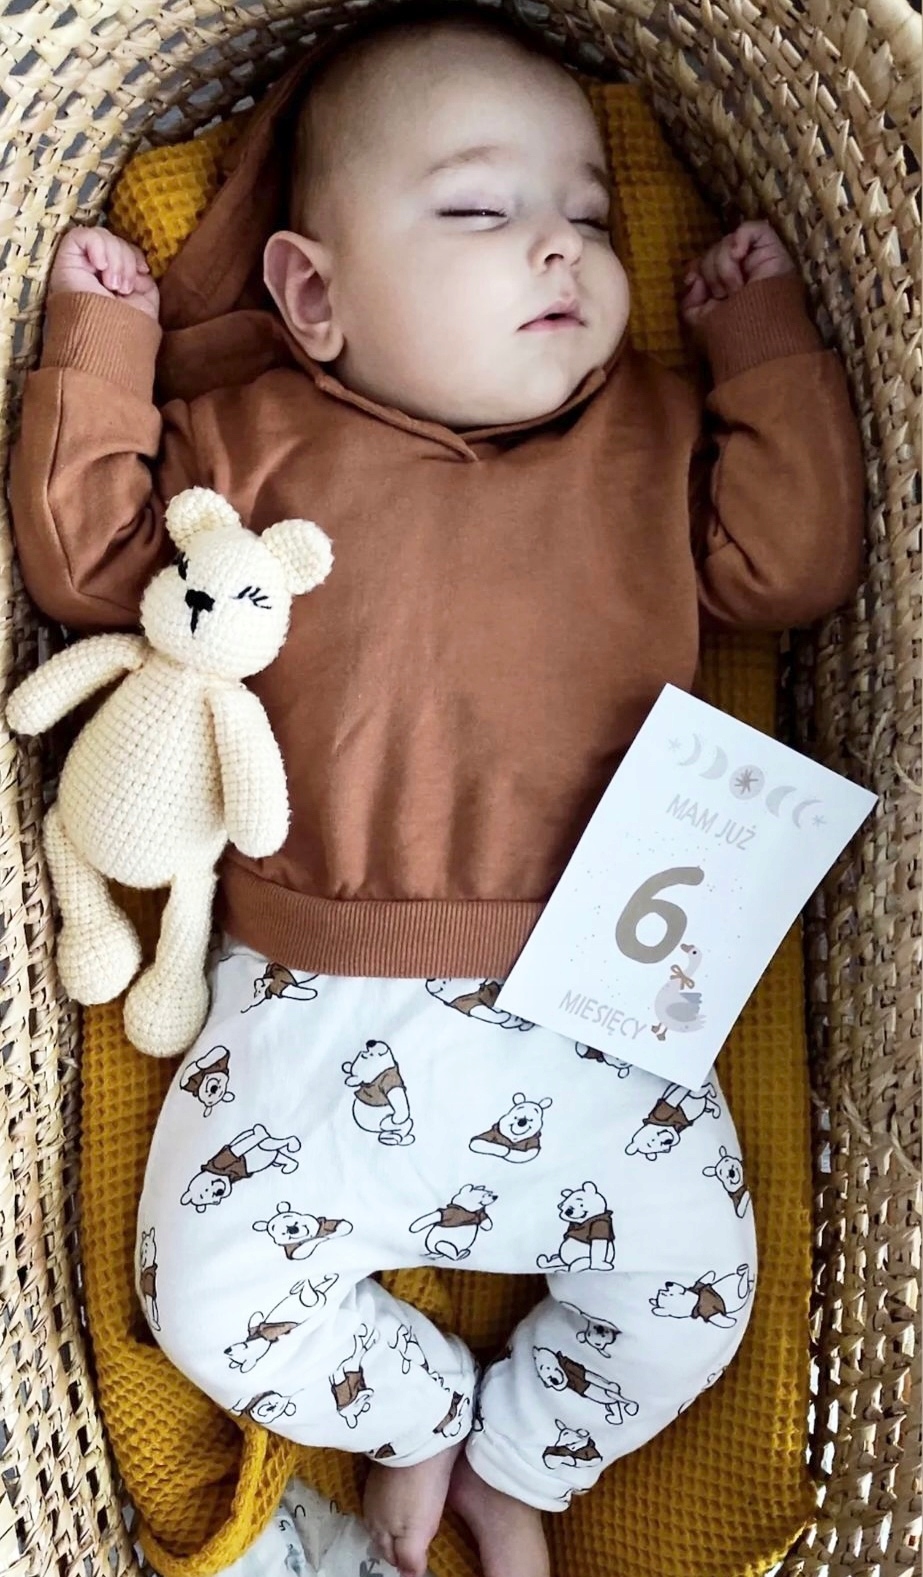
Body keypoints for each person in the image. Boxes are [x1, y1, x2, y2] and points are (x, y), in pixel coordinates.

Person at [9, 7, 865, 1576]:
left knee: (697, 1299)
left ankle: (521, 1452)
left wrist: (757, 347)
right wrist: (105, 355)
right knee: (202, 1293)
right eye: (481, 209)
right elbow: (89, 568)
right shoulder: (251, 444)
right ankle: (411, 1413)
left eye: (590, 216)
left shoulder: (650, 433)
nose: (561, 247)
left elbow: (791, 566)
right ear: (313, 297)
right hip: (308, 1015)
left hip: (611, 1004)